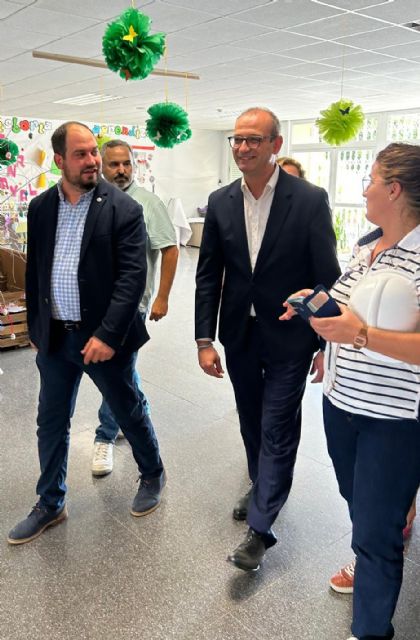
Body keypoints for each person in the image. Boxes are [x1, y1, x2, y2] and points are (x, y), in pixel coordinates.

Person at [281, 142, 420, 640]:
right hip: (340, 404)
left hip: (395, 418)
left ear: (394, 189)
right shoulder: (368, 246)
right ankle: (379, 538)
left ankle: (371, 628)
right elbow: (339, 303)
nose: (364, 188)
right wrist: (310, 302)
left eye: (371, 180)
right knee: (356, 501)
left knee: (376, 532)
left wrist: (360, 335)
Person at [195, 106, 341, 571]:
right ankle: (263, 486)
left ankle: (260, 529)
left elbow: (328, 278)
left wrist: (323, 342)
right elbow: (208, 275)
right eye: (236, 139)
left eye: (253, 140)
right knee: (251, 419)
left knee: (278, 424)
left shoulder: (309, 199)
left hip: (291, 336)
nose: (242, 147)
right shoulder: (220, 202)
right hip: (239, 332)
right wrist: (203, 339)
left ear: (275, 145)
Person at [7, 122, 165, 546]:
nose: (93, 160)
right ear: (59, 160)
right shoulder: (40, 208)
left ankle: (152, 473)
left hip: (104, 339)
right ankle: (50, 502)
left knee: (126, 409)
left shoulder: (124, 209)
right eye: (81, 154)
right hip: (56, 338)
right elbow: (36, 271)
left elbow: (133, 277)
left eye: (93, 151)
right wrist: (34, 328)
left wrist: (109, 335)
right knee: (51, 421)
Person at [91, 139, 178, 476]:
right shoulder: (94, 198)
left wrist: (162, 297)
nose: (121, 170)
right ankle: (136, 410)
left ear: (135, 165)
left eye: (126, 163)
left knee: (116, 374)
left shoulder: (148, 203)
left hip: (131, 306)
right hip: (98, 304)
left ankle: (104, 436)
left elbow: (169, 250)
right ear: (102, 166)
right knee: (123, 371)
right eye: (113, 164)